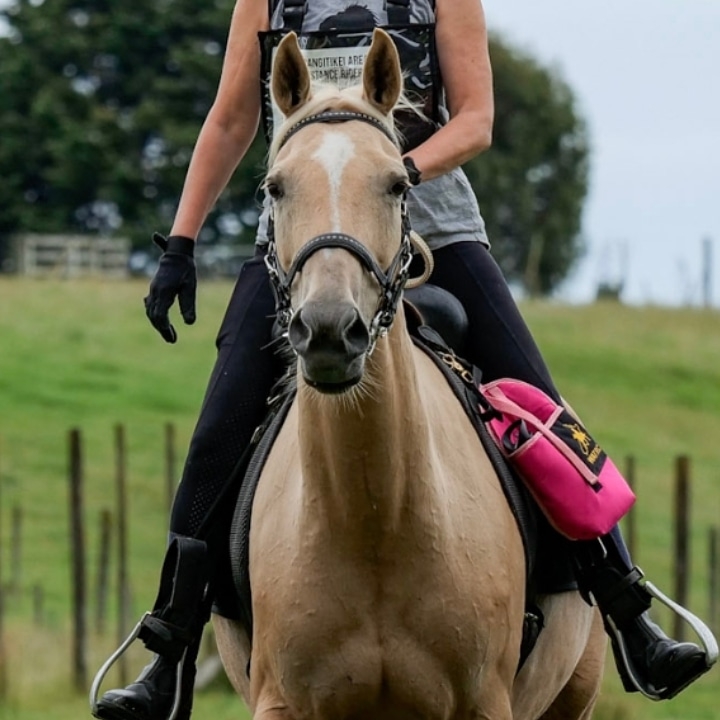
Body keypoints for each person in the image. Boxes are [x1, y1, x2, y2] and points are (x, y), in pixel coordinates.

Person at [91, 2, 715, 719]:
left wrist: (388, 172)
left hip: (430, 223)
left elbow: (475, 119)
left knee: (545, 409)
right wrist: (181, 242)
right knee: (218, 425)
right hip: (303, 240)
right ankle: (170, 650)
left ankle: (629, 610)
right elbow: (234, 117)